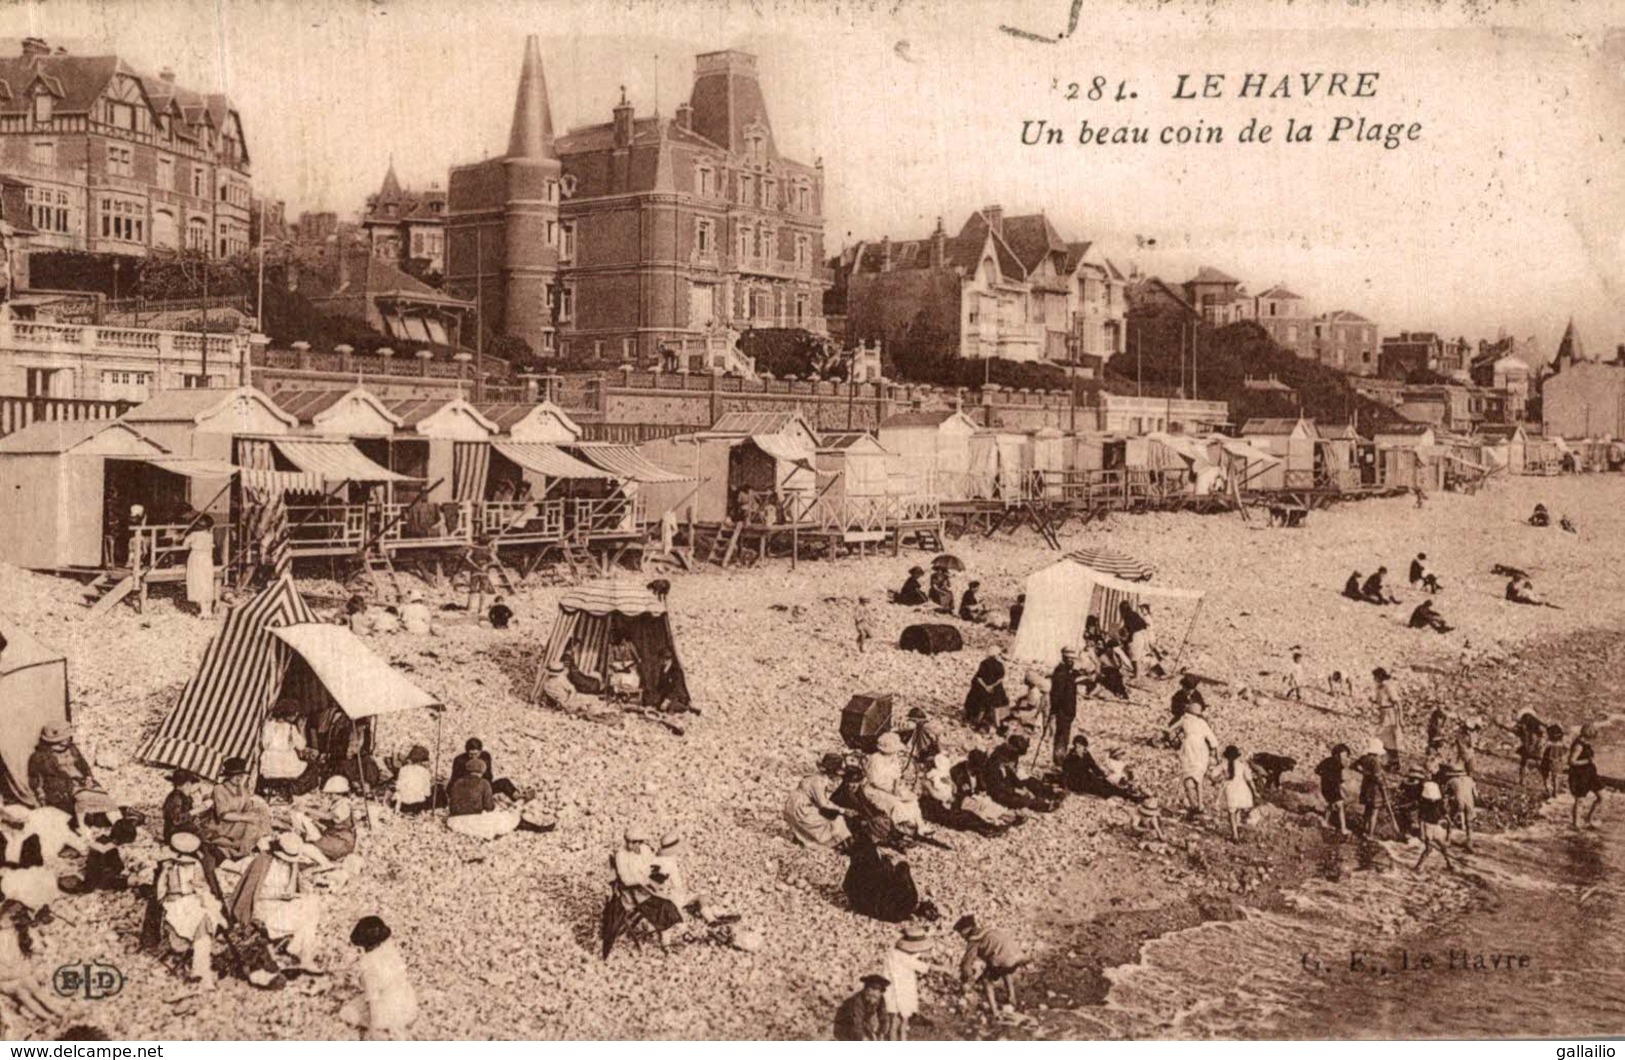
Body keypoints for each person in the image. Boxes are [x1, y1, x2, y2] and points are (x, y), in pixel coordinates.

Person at [231, 831, 324, 972]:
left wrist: (299, 875)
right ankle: (301, 954)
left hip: (281, 903)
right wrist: (279, 896)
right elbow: (254, 893)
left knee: (312, 902)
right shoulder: (262, 862)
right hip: (264, 906)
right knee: (307, 919)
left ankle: (298, 951)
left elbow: (294, 887)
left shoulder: (290, 864)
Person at [155, 830, 225, 989]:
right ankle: (201, 970)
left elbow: (203, 886)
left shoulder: (195, 865)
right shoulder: (167, 867)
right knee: (202, 921)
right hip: (175, 903)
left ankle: (200, 970)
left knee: (203, 919)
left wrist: (199, 888)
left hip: (191, 899)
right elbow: (160, 894)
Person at [340, 916, 418, 1040]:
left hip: (390, 1011)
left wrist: (374, 1029)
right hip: (409, 1006)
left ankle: (390, 1028)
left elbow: (373, 999)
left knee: (347, 1012)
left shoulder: (368, 965)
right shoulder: (390, 951)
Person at [27, 724, 121, 826]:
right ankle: (83, 827)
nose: (68, 738)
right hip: (61, 786)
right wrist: (41, 797)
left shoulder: (72, 749)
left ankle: (118, 824)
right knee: (82, 798)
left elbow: (83, 765)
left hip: (81, 781)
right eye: (65, 736)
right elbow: (35, 778)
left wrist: (89, 777)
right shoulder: (40, 756)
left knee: (102, 796)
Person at [0, 902, 68, 1022]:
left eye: (11, 919)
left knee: (33, 987)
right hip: (5, 979)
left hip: (19, 973)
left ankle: (61, 1013)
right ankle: (49, 1017)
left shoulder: (19, 935)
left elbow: (31, 954)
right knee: (21, 991)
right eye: (4, 919)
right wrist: (15, 974)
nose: (5, 922)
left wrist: (24, 969)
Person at [842, 827, 919, 922]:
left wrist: (887, 865)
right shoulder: (910, 899)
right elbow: (900, 873)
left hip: (857, 901)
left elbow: (847, 884)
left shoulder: (910, 898)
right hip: (870, 906)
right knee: (901, 868)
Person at [955, 914, 1027, 1013]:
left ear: (966, 930)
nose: (961, 937)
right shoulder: (986, 931)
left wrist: (968, 979)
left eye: (960, 933)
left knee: (986, 981)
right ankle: (1012, 998)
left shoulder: (974, 939)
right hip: (1017, 956)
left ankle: (994, 1010)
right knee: (1005, 971)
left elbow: (967, 963)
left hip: (1004, 960)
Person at [207, 756, 273, 859]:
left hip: (239, 822)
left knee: (262, 813)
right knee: (251, 827)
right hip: (224, 826)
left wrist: (254, 815)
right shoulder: (219, 789)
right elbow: (224, 815)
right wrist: (247, 818)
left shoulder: (242, 790)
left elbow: (248, 809)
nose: (239, 778)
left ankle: (266, 843)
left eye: (241, 775)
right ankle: (241, 853)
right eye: (236, 775)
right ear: (228, 776)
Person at [786, 753, 855, 850]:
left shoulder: (822, 778)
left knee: (830, 818)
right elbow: (823, 803)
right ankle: (830, 844)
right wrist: (843, 810)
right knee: (832, 821)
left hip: (800, 803)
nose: (842, 771)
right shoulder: (818, 781)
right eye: (840, 769)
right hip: (800, 808)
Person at [862, 733, 926, 833]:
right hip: (875, 790)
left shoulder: (894, 759)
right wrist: (893, 790)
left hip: (892, 788)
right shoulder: (876, 759)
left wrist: (899, 787)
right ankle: (901, 827)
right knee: (896, 803)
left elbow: (897, 775)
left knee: (912, 800)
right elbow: (875, 781)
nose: (896, 752)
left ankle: (920, 825)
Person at [1167, 699, 1219, 821]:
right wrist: (1215, 756)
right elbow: (1213, 741)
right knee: (1198, 776)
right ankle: (1200, 804)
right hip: (1201, 749)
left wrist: (1176, 740)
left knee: (1187, 775)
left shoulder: (1184, 719)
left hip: (1188, 747)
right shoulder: (1202, 723)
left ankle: (1193, 804)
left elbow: (1170, 730)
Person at [883, 926, 938, 1039]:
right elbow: (926, 967)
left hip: (893, 989)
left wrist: (921, 955)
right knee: (900, 1022)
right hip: (901, 991)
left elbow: (914, 955)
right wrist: (945, 969)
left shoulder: (895, 952)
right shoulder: (904, 957)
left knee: (895, 1020)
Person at [445, 759, 521, 840]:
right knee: (506, 817)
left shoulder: (457, 782)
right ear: (482, 771)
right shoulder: (484, 783)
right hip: (474, 818)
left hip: (455, 819)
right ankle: (520, 801)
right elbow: (489, 807)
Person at [259, 700, 319, 798]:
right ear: (288, 714)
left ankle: (280, 790)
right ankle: (294, 791)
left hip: (270, 764)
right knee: (312, 766)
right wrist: (301, 728)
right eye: (295, 714)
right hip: (286, 765)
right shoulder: (291, 728)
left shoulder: (268, 725)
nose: (296, 716)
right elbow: (301, 745)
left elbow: (265, 744)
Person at [1060, 735, 1138, 800]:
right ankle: (1126, 795)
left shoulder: (1085, 754)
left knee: (1105, 783)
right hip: (1076, 782)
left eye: (1081, 747)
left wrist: (1102, 775)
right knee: (1100, 788)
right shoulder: (1071, 758)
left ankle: (1126, 793)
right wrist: (1066, 786)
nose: (1079, 749)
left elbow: (1093, 766)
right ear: (1075, 746)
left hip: (1087, 777)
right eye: (1078, 747)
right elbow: (1065, 772)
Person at [450, 739, 521, 801]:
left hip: (483, 787)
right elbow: (454, 781)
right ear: (467, 752)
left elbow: (489, 777)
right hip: (468, 791)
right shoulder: (459, 760)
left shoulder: (485, 757)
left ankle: (517, 796)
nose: (474, 757)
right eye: (471, 754)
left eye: (476, 754)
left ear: (480, 751)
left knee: (504, 782)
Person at [1048, 648, 1083, 766]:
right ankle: (1059, 759)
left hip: (1067, 709)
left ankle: (1060, 758)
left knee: (1064, 734)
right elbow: (1056, 694)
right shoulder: (1061, 673)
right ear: (1064, 658)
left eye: (1073, 659)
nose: (1071, 661)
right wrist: (1054, 709)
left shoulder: (1066, 671)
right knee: (1062, 734)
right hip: (1063, 709)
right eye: (1069, 659)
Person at [833, 974, 890, 1041]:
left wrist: (881, 1034)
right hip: (844, 1027)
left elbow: (884, 1018)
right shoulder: (857, 1001)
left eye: (875, 997)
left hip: (861, 1024)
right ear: (865, 990)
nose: (872, 1000)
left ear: (881, 993)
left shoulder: (880, 999)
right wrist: (864, 1038)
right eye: (870, 995)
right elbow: (857, 1023)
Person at [1413, 781, 1454, 872]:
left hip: (1436, 827)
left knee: (1443, 847)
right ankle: (1419, 866)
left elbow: (1444, 812)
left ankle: (1449, 864)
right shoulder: (1424, 805)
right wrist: (1422, 833)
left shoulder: (1438, 803)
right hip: (1428, 827)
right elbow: (1421, 820)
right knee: (1428, 849)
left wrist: (1449, 821)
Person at [1569, 723, 1604, 830]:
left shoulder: (1585, 742)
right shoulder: (1579, 745)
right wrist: (1587, 761)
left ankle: (1588, 819)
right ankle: (1575, 824)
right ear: (1588, 735)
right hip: (1580, 775)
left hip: (1590, 774)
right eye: (1592, 737)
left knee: (1601, 797)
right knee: (1579, 800)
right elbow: (1571, 761)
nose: (1593, 740)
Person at [964, 653, 1008, 732]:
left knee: (982, 707)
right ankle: (998, 727)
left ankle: (977, 724)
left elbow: (979, 677)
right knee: (996, 708)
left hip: (984, 689)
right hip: (996, 689)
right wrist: (992, 686)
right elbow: (1000, 678)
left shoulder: (984, 663)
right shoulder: (1000, 665)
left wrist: (986, 686)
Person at [1221, 745, 1257, 843]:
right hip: (1242, 790)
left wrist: (1221, 779)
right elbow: (1249, 780)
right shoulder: (1242, 765)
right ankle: (1238, 829)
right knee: (1237, 810)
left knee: (1231, 813)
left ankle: (1235, 835)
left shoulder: (1223, 765)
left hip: (1231, 790)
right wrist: (1255, 792)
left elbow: (1213, 775)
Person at [184, 515, 218, 619]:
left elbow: (185, 546)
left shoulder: (193, 534)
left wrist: (185, 539)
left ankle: (203, 611)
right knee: (207, 582)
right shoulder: (210, 535)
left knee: (198, 582)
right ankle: (207, 610)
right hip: (207, 558)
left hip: (196, 558)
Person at [1372, 668, 1403, 773]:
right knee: (1383, 738)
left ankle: (1395, 763)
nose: (1374, 679)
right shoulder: (1379, 687)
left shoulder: (1388, 687)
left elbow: (1397, 703)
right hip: (1383, 713)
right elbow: (1379, 700)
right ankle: (1390, 762)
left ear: (1380, 676)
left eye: (1375, 676)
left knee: (1389, 738)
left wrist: (1400, 718)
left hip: (1390, 714)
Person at [1440, 762, 1476, 850]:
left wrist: (1446, 804)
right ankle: (1469, 841)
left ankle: (1448, 839)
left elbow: (1445, 794)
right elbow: (1476, 794)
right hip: (1470, 802)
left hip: (1458, 802)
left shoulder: (1451, 781)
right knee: (1469, 822)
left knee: (1450, 819)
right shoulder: (1470, 780)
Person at [1315, 744, 1351, 834]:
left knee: (1330, 805)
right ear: (1336, 755)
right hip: (1333, 788)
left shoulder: (1326, 761)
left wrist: (1324, 776)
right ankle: (1343, 829)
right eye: (1342, 756)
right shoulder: (1338, 765)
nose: (1343, 758)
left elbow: (1317, 770)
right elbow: (1339, 779)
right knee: (1340, 807)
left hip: (1325, 786)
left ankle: (1325, 822)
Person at [392, 746, 437, 815]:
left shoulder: (403, 769)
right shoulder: (425, 772)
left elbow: (398, 788)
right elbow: (427, 793)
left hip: (402, 804)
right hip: (416, 805)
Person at [1121, 601, 1162, 678]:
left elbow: (1131, 630)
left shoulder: (1127, 616)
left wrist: (1127, 641)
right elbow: (1143, 624)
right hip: (1144, 634)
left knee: (1134, 655)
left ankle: (1137, 675)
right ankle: (1159, 671)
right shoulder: (1135, 614)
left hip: (1137, 635)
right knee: (1145, 654)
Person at [607, 634, 642, 700]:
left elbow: (638, 659)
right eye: (621, 640)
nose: (623, 642)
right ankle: (618, 695)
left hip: (630, 667)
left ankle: (627, 694)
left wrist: (630, 664)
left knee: (630, 678)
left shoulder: (630, 645)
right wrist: (617, 666)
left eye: (624, 640)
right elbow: (611, 660)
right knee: (616, 679)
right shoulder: (614, 647)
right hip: (618, 667)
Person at [1541, 723, 1567, 801]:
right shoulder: (1561, 744)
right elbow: (1565, 751)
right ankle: (1554, 793)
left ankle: (1550, 792)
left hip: (1547, 761)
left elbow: (1542, 750)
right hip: (1556, 762)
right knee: (1555, 778)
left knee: (1546, 777)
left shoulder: (1548, 744)